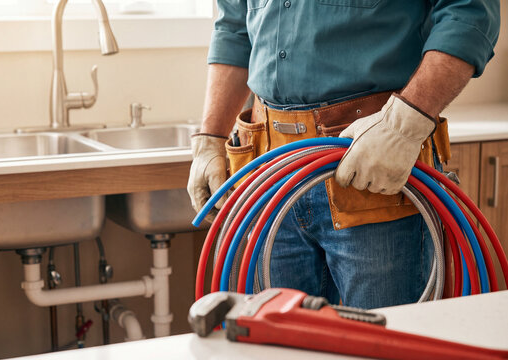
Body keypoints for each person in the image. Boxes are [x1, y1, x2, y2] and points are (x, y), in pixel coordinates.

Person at [187, 0, 500, 309]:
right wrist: (209, 139)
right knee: (274, 345)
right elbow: (234, 28)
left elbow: (469, 11)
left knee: (382, 345)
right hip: (270, 174)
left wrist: (403, 124)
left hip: (371, 170)